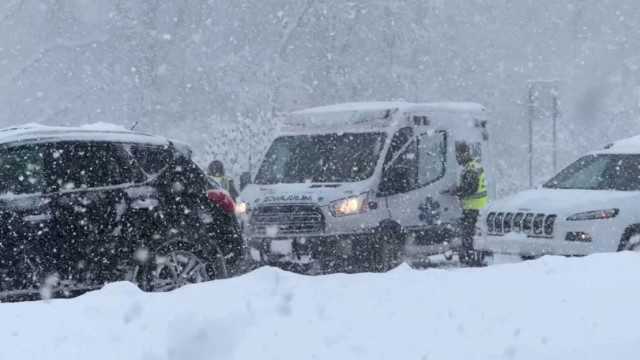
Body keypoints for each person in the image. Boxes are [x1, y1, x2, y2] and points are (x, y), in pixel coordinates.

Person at [449, 142, 488, 264]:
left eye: (458, 155)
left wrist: (456, 191)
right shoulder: (474, 166)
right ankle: (470, 256)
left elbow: (470, 188)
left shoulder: (471, 168)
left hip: (473, 208)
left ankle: (469, 258)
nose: (457, 158)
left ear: (465, 154)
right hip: (477, 207)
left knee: (468, 234)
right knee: (471, 234)